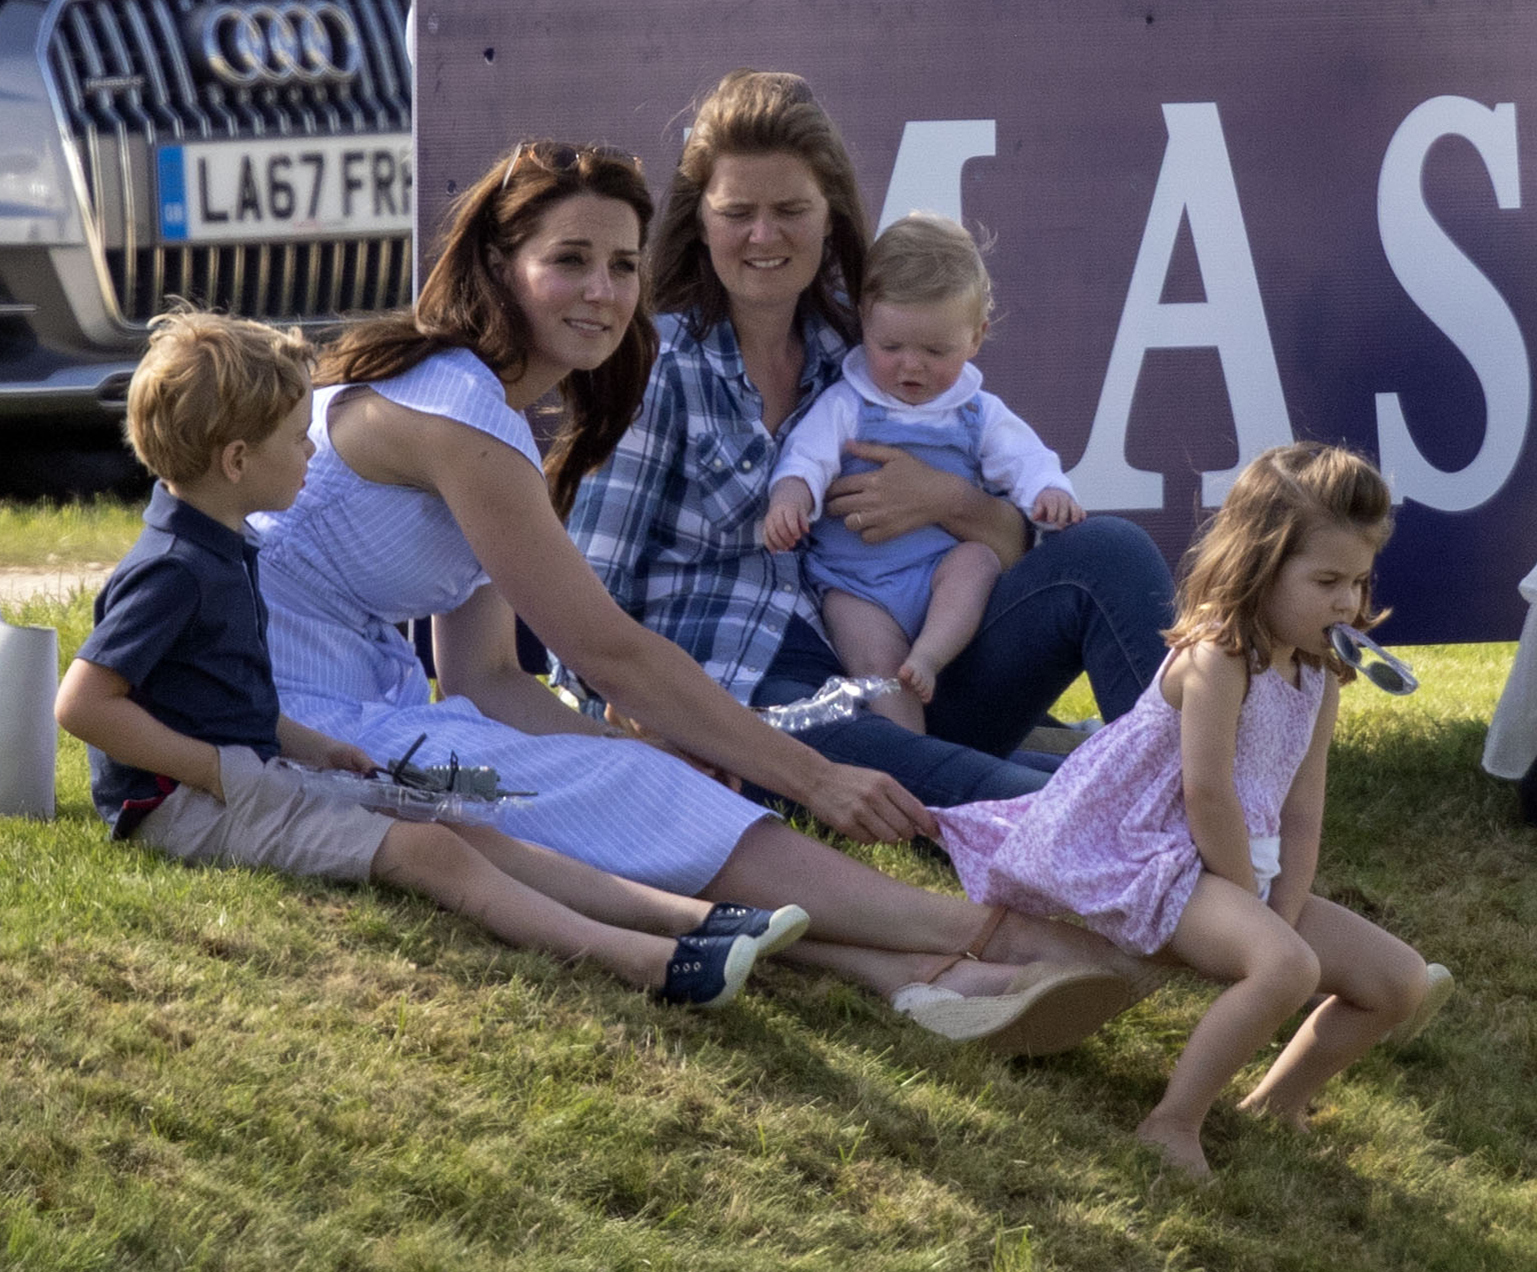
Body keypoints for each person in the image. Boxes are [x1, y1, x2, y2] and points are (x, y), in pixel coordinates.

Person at [241, 139, 1146, 1052]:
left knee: (632, 785)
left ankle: (919, 978)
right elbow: (606, 651)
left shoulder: (492, 414)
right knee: (631, 791)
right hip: (298, 721)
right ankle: (986, 938)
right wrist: (811, 778)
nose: (602, 290)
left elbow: (483, 675)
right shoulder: (458, 414)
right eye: (569, 261)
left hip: (375, 711)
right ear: (498, 267)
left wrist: (633, 751)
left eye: (622, 265)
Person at [54, 308, 806, 1009]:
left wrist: (308, 747)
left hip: (244, 774)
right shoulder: (173, 569)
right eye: (296, 438)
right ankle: (650, 961)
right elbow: (84, 705)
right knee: (427, 853)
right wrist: (219, 772)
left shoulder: (227, 543)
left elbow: (207, 691)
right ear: (238, 459)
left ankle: (701, 919)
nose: (313, 447)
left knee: (456, 822)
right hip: (180, 808)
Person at [564, 68, 1174, 810]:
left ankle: (1191, 788)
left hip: (917, 665)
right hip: (754, 695)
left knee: (1111, 553)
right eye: (737, 212)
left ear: (831, 218)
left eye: (790, 209)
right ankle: (1149, 822)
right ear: (699, 221)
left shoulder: (875, 348)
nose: (763, 235)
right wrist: (646, 735)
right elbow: (585, 603)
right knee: (1015, 795)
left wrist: (949, 501)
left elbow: (1007, 548)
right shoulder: (656, 367)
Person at [925, 442, 1453, 1177]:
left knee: (1395, 982)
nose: (1346, 603)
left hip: (1240, 862)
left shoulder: (1319, 668)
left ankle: (1274, 1102)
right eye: (1325, 580)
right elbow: (1205, 791)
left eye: (1358, 581)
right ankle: (1170, 1123)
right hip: (1157, 851)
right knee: (1282, 969)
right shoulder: (1218, 654)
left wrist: (1286, 901)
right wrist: (1251, 908)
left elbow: (1303, 803)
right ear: (1258, 567)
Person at [764, 213, 1084, 733]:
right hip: (857, 585)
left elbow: (1026, 459)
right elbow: (805, 458)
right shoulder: (848, 404)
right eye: (891, 347)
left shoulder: (977, 412)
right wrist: (790, 499)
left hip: (939, 580)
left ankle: (931, 657)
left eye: (936, 351)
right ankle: (915, 754)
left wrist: (1049, 491)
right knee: (879, 666)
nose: (911, 366)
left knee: (977, 560)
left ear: (976, 337)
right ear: (864, 320)